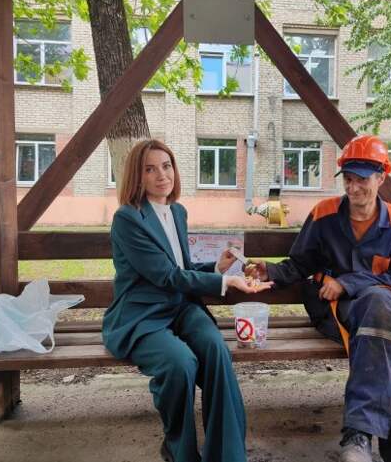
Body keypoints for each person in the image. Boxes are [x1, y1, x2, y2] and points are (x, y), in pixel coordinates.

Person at [246, 135, 391, 462]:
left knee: (382, 318)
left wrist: (347, 283)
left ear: (381, 177)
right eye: (348, 179)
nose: (353, 188)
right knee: (390, 337)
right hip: (331, 312)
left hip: (377, 313)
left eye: (362, 180)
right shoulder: (324, 214)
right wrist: (270, 271)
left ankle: (359, 437)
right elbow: (300, 264)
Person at [103, 139, 272, 462]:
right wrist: (226, 281)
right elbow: (166, 275)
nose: (161, 175)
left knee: (216, 350)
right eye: (149, 169)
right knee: (180, 363)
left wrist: (217, 268)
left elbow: (182, 268)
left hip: (181, 307)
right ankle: (178, 449)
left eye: (166, 166)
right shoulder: (128, 219)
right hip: (143, 315)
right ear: (137, 176)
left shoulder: (177, 211)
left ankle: (226, 455)